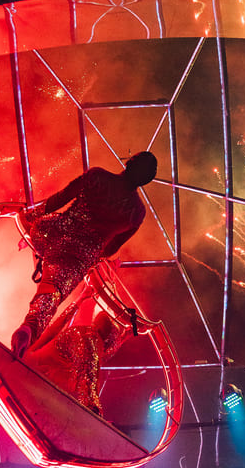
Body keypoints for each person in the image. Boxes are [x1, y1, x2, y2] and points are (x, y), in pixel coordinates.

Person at [11, 152, 157, 358]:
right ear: (147, 180)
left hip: (52, 231)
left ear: (130, 161)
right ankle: (29, 328)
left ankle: (41, 262)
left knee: (48, 261)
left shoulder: (97, 176)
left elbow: (60, 198)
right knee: (53, 293)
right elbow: (111, 248)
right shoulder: (137, 212)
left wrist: (29, 219)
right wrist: (90, 257)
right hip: (78, 256)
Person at [24, 306, 128, 416]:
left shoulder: (86, 335)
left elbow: (98, 359)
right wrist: (93, 415)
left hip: (35, 378)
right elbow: (89, 378)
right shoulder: (90, 340)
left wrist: (124, 338)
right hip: (35, 385)